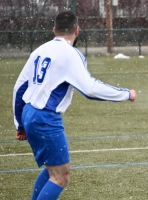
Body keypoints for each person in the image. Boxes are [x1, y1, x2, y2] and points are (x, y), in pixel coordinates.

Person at [13, 10, 137, 200]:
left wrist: (20, 124)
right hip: (45, 118)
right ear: (77, 30)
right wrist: (125, 94)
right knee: (61, 176)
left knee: (51, 170)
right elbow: (90, 89)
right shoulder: (71, 54)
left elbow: (19, 88)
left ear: (54, 30)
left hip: (30, 113)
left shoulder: (39, 50)